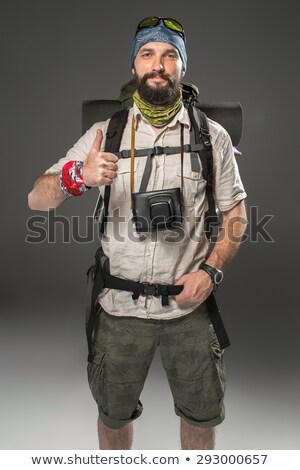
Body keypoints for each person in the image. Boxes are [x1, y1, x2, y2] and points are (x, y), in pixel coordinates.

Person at [28, 17, 247, 450]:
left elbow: (237, 214)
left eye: (170, 55)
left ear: (183, 68)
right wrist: (80, 176)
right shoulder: (104, 134)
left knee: (202, 416)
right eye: (147, 54)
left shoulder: (211, 135)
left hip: (189, 307)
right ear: (134, 67)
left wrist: (212, 272)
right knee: (113, 415)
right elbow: (36, 198)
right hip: (119, 308)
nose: (158, 65)